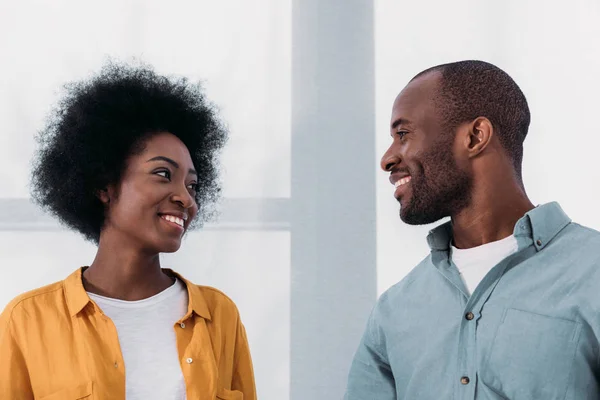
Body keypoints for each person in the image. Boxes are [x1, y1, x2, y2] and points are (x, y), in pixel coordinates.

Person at [345, 60, 600, 399]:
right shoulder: (394, 311)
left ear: (475, 136)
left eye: (403, 134)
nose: (388, 159)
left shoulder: (592, 272)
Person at [0, 62, 256, 400]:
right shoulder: (28, 320)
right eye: (163, 174)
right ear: (104, 185)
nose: (185, 198)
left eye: (193, 186)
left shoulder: (220, 316)